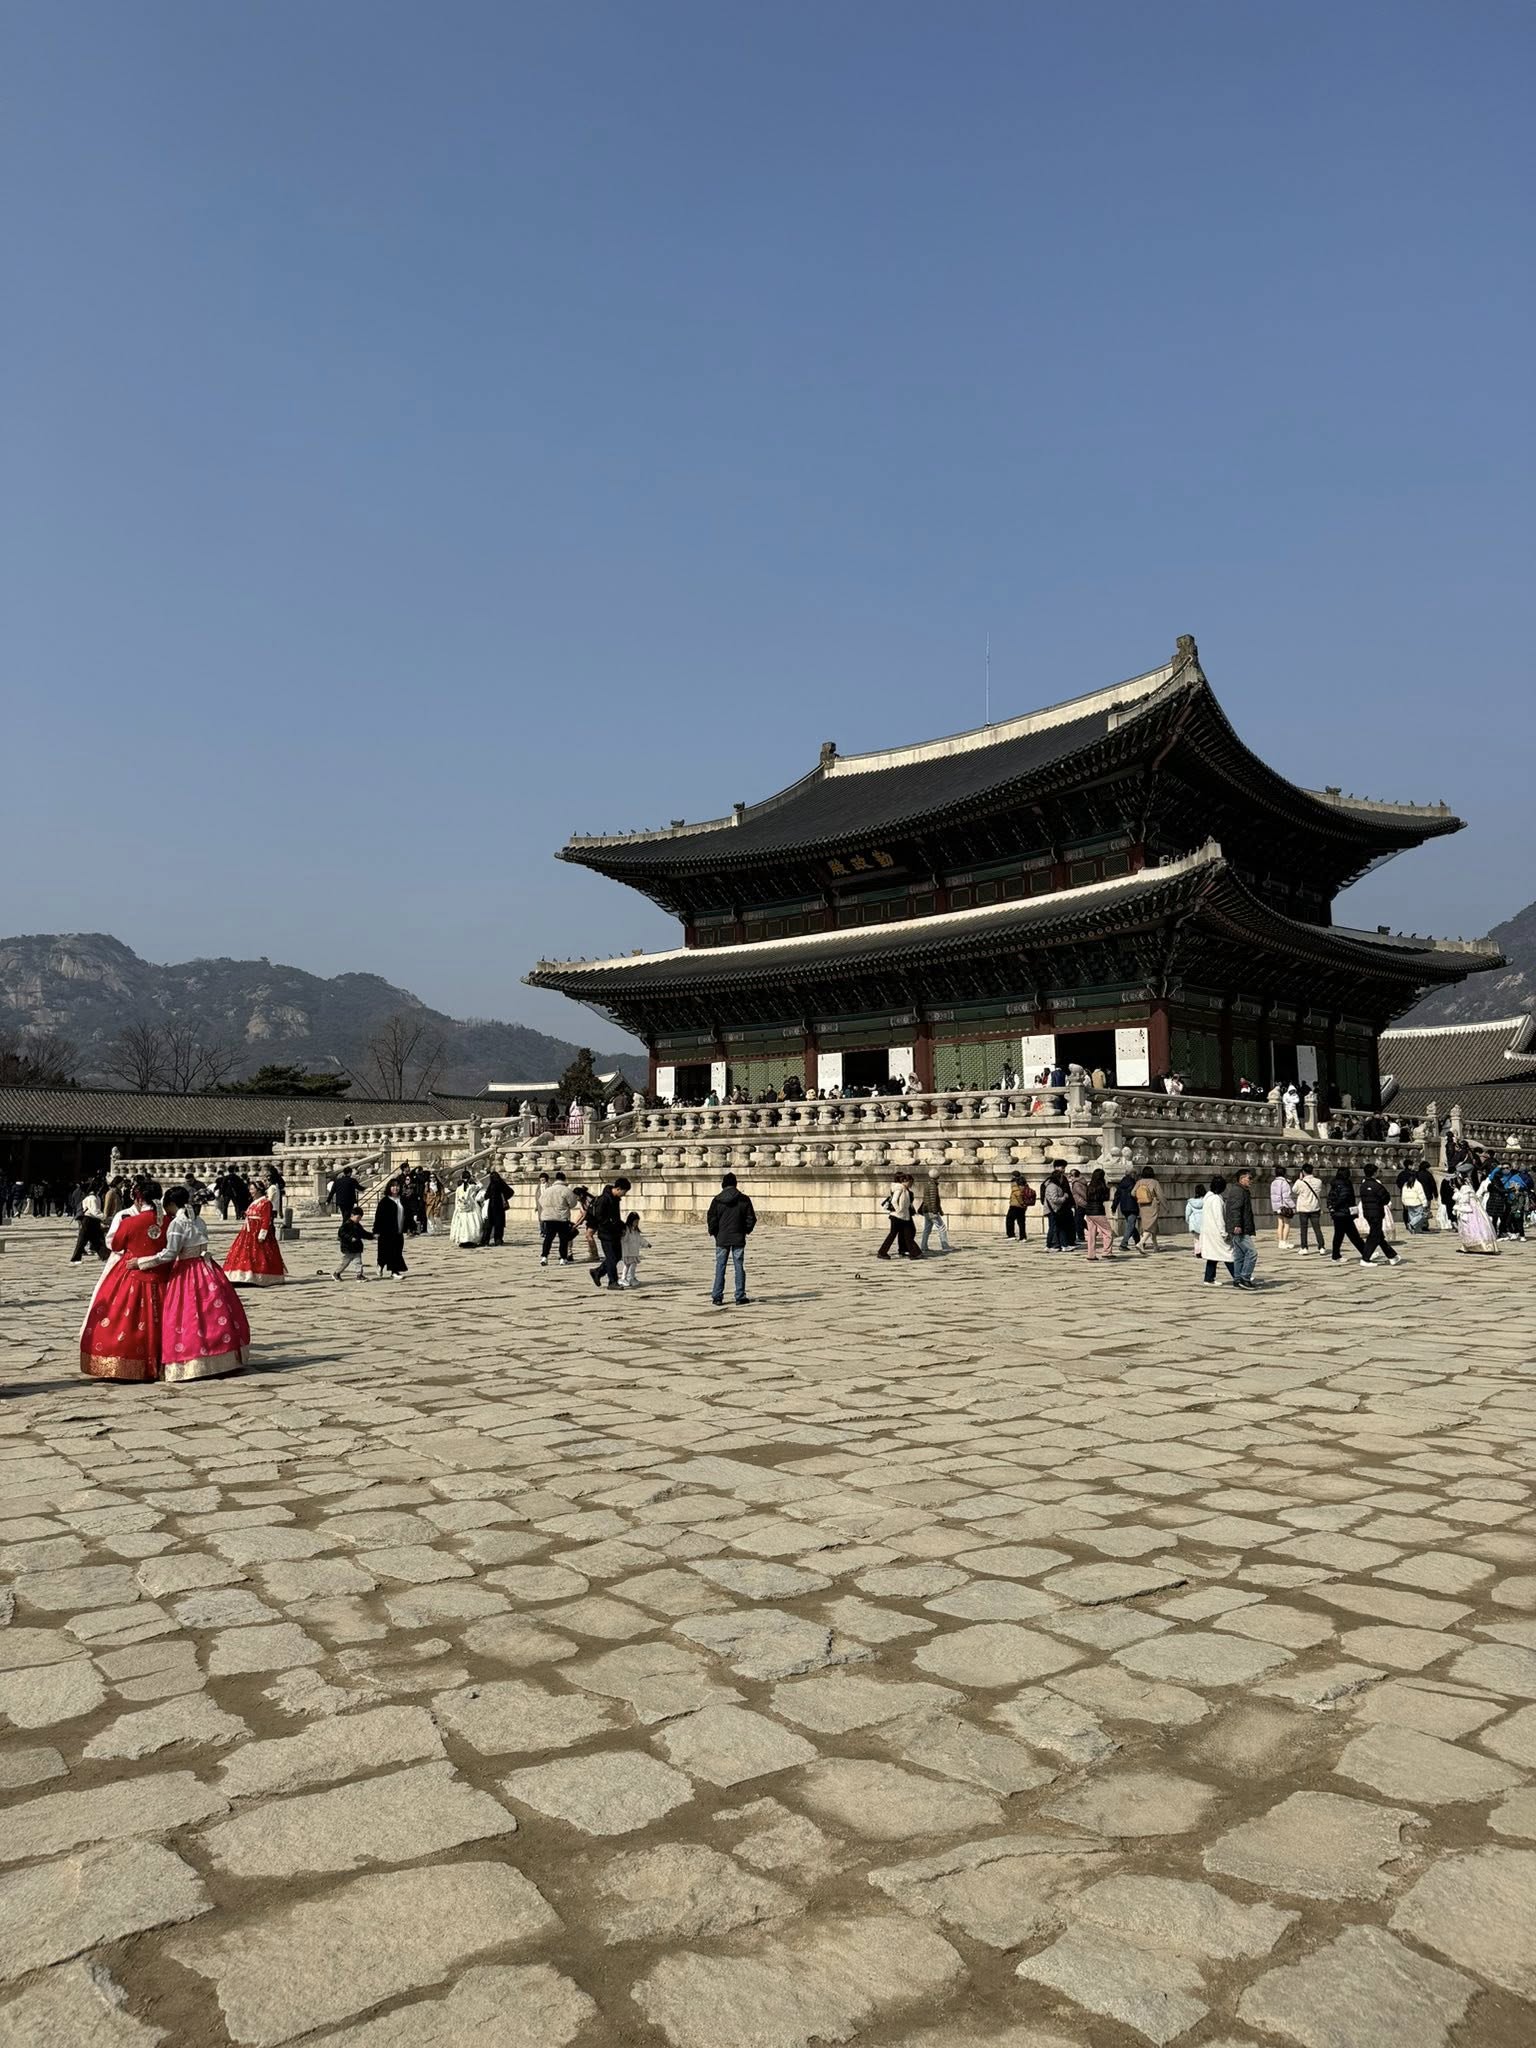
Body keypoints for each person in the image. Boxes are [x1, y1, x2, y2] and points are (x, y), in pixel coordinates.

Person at [135, 1185, 251, 1381]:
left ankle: (193, 1361)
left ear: (171, 1204)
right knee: (213, 1313)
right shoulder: (198, 1219)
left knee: (187, 1314)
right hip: (206, 1268)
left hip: (187, 1271)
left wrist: (142, 1262)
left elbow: (170, 1254)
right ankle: (223, 1356)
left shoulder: (177, 1223)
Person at [79, 1181, 171, 1381]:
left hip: (133, 1273)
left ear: (139, 1198)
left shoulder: (130, 1222)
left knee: (125, 1316)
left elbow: (115, 1244)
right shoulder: (169, 1221)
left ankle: (129, 1361)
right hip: (164, 1275)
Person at [223, 1180, 287, 1286]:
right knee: (244, 1254)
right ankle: (242, 1275)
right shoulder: (254, 1202)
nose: (250, 1191)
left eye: (252, 1189)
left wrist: (262, 1234)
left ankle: (261, 1277)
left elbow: (266, 1219)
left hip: (257, 1231)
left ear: (259, 1190)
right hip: (248, 1232)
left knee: (260, 1255)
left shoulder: (265, 1203)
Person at [707, 1171, 756, 1304]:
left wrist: (715, 1233)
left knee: (720, 1266)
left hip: (722, 1238)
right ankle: (740, 1295)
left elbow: (712, 1219)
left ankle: (717, 1296)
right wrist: (745, 1231)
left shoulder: (717, 1200)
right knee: (739, 1266)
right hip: (738, 1237)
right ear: (735, 1184)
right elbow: (751, 1218)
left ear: (723, 1184)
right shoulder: (744, 1199)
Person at [587, 1176, 631, 1290]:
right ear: (618, 1189)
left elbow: (616, 1217)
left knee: (617, 1256)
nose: (624, 1195)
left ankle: (597, 1272)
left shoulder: (615, 1199)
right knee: (611, 1257)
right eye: (624, 1192)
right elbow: (600, 1217)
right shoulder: (604, 1199)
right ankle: (612, 1282)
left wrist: (622, 1226)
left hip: (615, 1233)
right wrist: (611, 1225)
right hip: (606, 1233)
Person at [1356, 1164, 1400, 1265]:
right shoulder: (1377, 1185)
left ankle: (1392, 1256)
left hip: (1367, 1212)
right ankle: (1365, 1258)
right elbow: (1386, 1198)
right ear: (1374, 1173)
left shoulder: (1363, 1186)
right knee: (1374, 1236)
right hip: (1377, 1213)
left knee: (1379, 1235)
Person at [1326, 1166, 1369, 1264]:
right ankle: (1365, 1253)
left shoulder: (1334, 1183)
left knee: (1345, 1235)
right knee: (1351, 1235)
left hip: (1338, 1214)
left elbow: (1331, 1197)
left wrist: (1332, 1207)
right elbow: (1343, 1197)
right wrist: (1336, 1206)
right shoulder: (1345, 1184)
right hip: (1344, 1213)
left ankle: (1365, 1252)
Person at [1224, 1169, 1258, 1288]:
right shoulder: (1238, 1191)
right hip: (1239, 1228)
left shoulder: (1241, 1191)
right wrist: (1237, 1225)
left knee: (1239, 1255)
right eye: (1249, 1178)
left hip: (1241, 1226)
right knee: (1252, 1253)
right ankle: (1245, 1277)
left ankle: (1237, 1278)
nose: (1251, 1181)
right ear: (1242, 1178)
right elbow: (1235, 1209)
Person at [1199, 1172, 1234, 1283]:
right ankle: (1238, 1276)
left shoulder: (1208, 1198)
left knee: (1213, 1255)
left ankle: (1209, 1278)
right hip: (1216, 1232)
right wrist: (1224, 1233)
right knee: (1228, 1254)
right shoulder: (1216, 1200)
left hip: (1208, 1231)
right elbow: (1219, 1218)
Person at [1455, 1170, 1499, 1254]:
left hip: (1469, 1209)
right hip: (1475, 1208)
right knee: (1478, 1226)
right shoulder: (1469, 1186)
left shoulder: (1464, 1187)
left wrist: (1457, 1195)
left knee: (1470, 1227)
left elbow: (1464, 1200)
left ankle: (1476, 1246)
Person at [537, 1172, 576, 1265]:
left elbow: (541, 1201)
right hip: (562, 1218)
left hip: (549, 1217)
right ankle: (563, 1258)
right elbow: (573, 1203)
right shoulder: (566, 1190)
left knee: (548, 1238)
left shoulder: (548, 1190)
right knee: (563, 1239)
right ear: (564, 1179)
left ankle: (544, 1257)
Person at [373, 1178, 409, 1277]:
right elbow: (378, 1217)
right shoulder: (384, 1201)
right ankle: (381, 1265)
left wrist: (411, 1227)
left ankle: (394, 1271)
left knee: (397, 1251)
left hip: (399, 1230)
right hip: (386, 1231)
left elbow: (408, 1214)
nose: (395, 1188)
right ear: (389, 1188)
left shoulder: (403, 1200)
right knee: (386, 1251)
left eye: (397, 1186)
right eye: (393, 1186)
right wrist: (376, 1231)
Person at [70, 1182, 108, 1264]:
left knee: (97, 1239)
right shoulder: (92, 1198)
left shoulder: (96, 1197)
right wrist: (104, 1217)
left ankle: (105, 1256)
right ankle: (75, 1258)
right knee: (82, 1240)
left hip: (94, 1220)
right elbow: (95, 1211)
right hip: (87, 1220)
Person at [1292, 1161, 1325, 1253]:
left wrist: (1299, 1179)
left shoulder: (1300, 1182)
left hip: (1303, 1208)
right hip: (1315, 1207)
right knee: (1317, 1228)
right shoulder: (1318, 1181)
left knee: (1303, 1229)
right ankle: (1321, 1247)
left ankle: (1304, 1247)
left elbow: (1294, 1190)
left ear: (1303, 1172)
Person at [335, 1207, 373, 1281]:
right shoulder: (347, 1224)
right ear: (352, 1215)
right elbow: (341, 1233)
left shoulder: (358, 1225)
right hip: (348, 1247)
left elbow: (363, 1234)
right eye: (358, 1217)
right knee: (345, 1263)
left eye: (360, 1218)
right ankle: (337, 1273)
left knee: (358, 1262)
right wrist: (350, 1238)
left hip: (356, 1247)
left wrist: (372, 1236)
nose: (359, 1219)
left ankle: (359, 1275)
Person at [1083, 1168, 1113, 1260]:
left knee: (1091, 1234)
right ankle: (1107, 1252)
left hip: (1089, 1211)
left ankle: (1091, 1254)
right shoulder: (1102, 1186)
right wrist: (1107, 1188)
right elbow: (1106, 1198)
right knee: (1107, 1231)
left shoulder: (1089, 1186)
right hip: (1098, 1211)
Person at [1042, 1166, 1074, 1251]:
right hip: (1053, 1210)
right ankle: (1051, 1245)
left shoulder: (1054, 1185)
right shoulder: (1052, 1186)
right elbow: (1054, 1199)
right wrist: (1064, 1197)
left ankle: (1063, 1245)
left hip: (1056, 1210)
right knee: (1053, 1228)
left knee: (1060, 1227)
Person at [1131, 1165, 1163, 1252]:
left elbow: (1133, 1193)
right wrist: (1166, 1206)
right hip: (1152, 1205)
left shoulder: (1139, 1182)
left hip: (1142, 1206)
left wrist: (1140, 1197)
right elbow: (1160, 1195)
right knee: (1151, 1226)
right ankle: (1141, 1243)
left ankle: (1156, 1246)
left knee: (1151, 1225)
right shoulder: (1155, 1182)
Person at [450, 1174, 484, 1249]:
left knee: (463, 1225)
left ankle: (462, 1239)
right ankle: (471, 1240)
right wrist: (476, 1180)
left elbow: (456, 1200)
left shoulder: (458, 1188)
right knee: (472, 1224)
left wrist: (457, 1209)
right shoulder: (472, 1187)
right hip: (472, 1207)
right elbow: (481, 1186)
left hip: (461, 1209)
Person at [481, 1168, 513, 1247]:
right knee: (499, 1224)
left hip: (492, 1206)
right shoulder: (502, 1183)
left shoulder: (492, 1184)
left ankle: (486, 1241)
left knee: (489, 1224)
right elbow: (511, 1192)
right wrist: (504, 1198)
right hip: (500, 1207)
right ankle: (498, 1240)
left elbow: (486, 1195)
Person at [918, 1174, 950, 1254]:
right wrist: (935, 1211)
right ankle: (945, 1246)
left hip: (926, 1210)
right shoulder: (933, 1186)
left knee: (927, 1229)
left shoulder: (927, 1185)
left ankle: (924, 1246)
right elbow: (933, 1200)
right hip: (931, 1211)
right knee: (942, 1227)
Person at [1111, 1170, 1140, 1253]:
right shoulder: (1133, 1183)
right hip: (1132, 1207)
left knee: (1131, 1225)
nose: (1136, 1176)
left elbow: (1117, 1196)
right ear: (1132, 1174)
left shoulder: (1121, 1184)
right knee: (1130, 1226)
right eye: (1135, 1174)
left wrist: (1113, 1207)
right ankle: (1123, 1244)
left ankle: (1139, 1242)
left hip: (1123, 1207)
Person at [619, 1211, 649, 1287]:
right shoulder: (626, 1230)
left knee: (633, 1265)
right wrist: (623, 1234)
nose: (636, 1223)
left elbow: (640, 1239)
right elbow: (624, 1239)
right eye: (635, 1222)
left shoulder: (636, 1231)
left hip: (634, 1251)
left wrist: (646, 1244)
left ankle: (632, 1278)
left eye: (637, 1222)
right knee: (627, 1265)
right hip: (627, 1251)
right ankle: (623, 1278)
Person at [1270, 1167, 1295, 1251]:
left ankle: (1280, 1242)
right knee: (1287, 1223)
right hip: (1284, 1206)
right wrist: (1292, 1205)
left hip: (1276, 1206)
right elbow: (1286, 1197)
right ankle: (1285, 1241)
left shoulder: (1273, 1182)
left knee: (1280, 1224)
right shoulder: (1284, 1183)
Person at [1005, 1174, 1033, 1240]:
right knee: (1021, 1222)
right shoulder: (1025, 1185)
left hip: (1015, 1206)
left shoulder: (1015, 1185)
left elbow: (1018, 1195)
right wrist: (1024, 1205)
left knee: (1009, 1220)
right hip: (1021, 1207)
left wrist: (1022, 1203)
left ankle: (1011, 1235)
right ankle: (1023, 1237)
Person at [1185, 1181, 1206, 1256]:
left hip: (1194, 1223)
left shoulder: (1191, 1202)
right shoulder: (1206, 1201)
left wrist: (1187, 1220)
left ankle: (1197, 1251)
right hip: (1204, 1222)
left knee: (1196, 1238)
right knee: (1204, 1238)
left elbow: (1187, 1213)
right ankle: (1203, 1251)